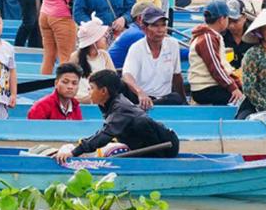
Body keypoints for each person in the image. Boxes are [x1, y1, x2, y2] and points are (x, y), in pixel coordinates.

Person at [50, 69, 180, 162]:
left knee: (140, 123)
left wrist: (74, 152)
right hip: (143, 146)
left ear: (103, 91)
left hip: (165, 146)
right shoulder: (105, 104)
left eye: (91, 88)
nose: (89, 91)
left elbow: (105, 135)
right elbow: (105, 131)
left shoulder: (120, 108)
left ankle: (156, 161)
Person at [122, 3, 185, 107]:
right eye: (155, 25)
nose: (160, 30)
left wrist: (184, 102)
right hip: (142, 97)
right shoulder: (136, 48)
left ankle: (143, 107)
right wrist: (140, 93)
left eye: (163, 25)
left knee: (176, 98)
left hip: (164, 98)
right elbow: (127, 75)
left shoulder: (172, 44)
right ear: (144, 28)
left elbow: (176, 75)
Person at [188, 0, 244, 106]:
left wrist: (236, 83)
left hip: (213, 85)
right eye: (227, 18)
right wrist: (232, 88)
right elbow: (215, 67)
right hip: (205, 88)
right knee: (242, 100)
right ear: (222, 19)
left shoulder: (213, 36)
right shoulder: (207, 38)